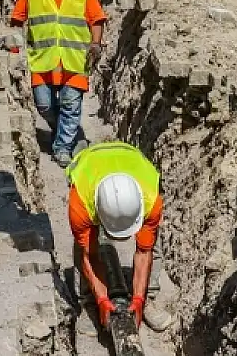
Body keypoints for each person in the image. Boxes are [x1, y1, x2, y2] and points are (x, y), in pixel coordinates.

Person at [10, 0, 107, 167]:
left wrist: (95, 44)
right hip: (42, 59)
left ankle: (62, 148)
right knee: (44, 105)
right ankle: (66, 131)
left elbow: (96, 19)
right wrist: (13, 48)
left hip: (75, 61)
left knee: (70, 104)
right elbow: (17, 19)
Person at [65, 140, 172, 332]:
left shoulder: (150, 199)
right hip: (89, 163)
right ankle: (89, 301)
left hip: (131, 158)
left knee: (153, 241)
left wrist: (138, 298)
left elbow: (144, 251)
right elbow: (89, 256)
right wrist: (102, 299)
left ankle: (149, 298)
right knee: (84, 245)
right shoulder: (80, 201)